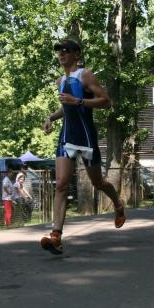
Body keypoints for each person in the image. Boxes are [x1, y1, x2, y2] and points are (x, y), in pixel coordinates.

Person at [42, 36, 126, 254]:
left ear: (76, 54)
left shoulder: (86, 75)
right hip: (67, 137)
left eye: (66, 50)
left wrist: (78, 101)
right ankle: (56, 236)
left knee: (98, 182)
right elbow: (66, 107)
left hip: (86, 137)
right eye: (59, 50)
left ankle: (118, 203)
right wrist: (51, 117)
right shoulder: (60, 80)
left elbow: (106, 102)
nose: (61, 53)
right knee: (61, 184)